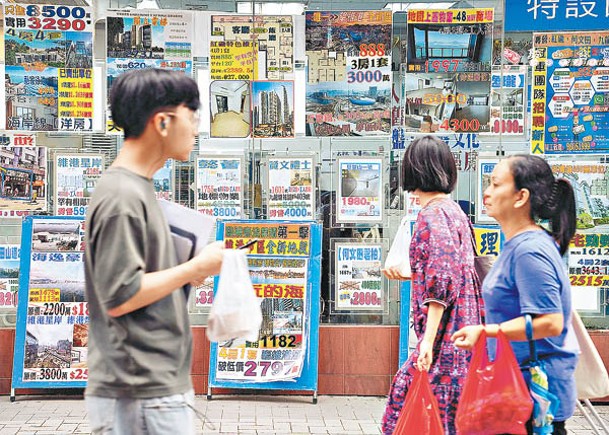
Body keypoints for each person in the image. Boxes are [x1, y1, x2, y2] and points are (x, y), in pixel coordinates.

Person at [84, 69, 224, 434]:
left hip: (148, 388)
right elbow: (120, 294)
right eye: (191, 116)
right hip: (139, 390)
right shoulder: (122, 196)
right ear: (162, 122)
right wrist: (196, 267)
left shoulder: (136, 190)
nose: (196, 129)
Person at [451, 154, 579, 435]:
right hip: (516, 395)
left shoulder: (529, 250)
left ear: (521, 197)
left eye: (496, 184)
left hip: (532, 401)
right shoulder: (522, 244)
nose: (487, 192)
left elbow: (551, 322)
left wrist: (487, 331)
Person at [381, 135, 483, 434]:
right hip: (462, 333)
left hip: (445, 340)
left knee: (411, 414)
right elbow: (452, 269)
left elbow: (441, 282)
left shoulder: (432, 215)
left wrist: (427, 341)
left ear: (412, 171)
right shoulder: (455, 212)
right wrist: (413, 273)